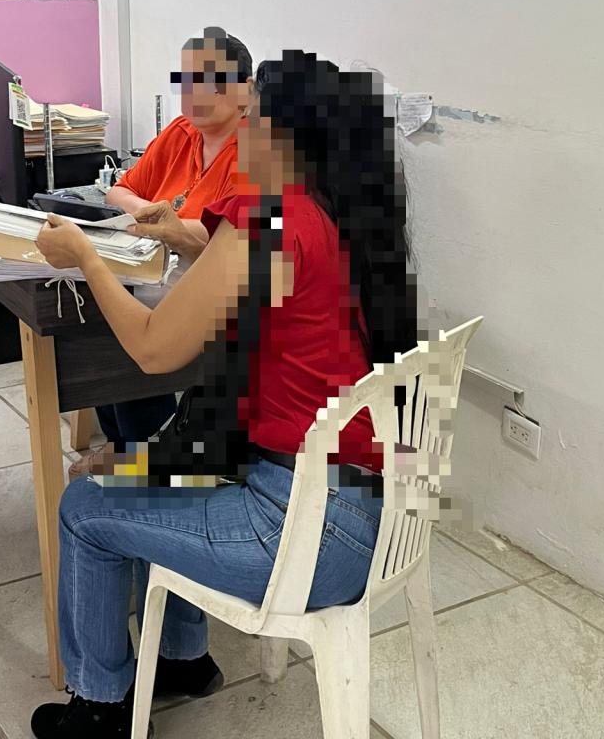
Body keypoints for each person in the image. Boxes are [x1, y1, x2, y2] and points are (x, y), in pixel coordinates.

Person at [31, 51, 417, 739]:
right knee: (149, 468)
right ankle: (185, 660)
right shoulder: (345, 220)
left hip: (304, 528)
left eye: (256, 118)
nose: (245, 131)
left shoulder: (273, 220)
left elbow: (154, 349)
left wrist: (87, 258)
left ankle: (101, 710)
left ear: (284, 138)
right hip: (372, 513)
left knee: (86, 506)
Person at [69, 26, 254, 479]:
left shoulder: (256, 150)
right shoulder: (180, 132)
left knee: (128, 335)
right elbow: (120, 190)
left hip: (212, 287)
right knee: (95, 318)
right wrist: (148, 213)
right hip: (153, 267)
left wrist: (171, 228)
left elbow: (228, 238)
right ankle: (127, 445)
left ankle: (150, 455)